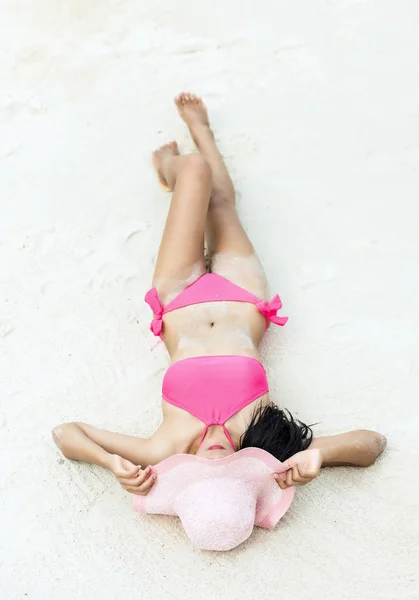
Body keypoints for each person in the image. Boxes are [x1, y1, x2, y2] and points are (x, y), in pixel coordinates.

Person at [52, 93, 386, 551]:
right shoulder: (268, 449)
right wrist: (319, 455)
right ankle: (203, 131)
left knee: (192, 172)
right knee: (223, 203)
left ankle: (171, 167)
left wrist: (110, 463)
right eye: (227, 473)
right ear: (247, 477)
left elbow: (65, 433)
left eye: (203, 473)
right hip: (243, 296)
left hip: (180, 293)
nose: (215, 461)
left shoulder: (160, 449)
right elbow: (372, 444)